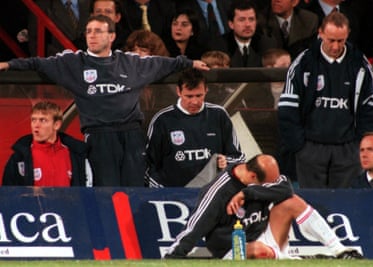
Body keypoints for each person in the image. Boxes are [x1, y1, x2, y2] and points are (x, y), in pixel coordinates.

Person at [0, 15, 210, 187]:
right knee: (105, 193)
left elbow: (165, 64)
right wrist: (9, 65)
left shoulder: (131, 62)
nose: (92, 35)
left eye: (98, 31)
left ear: (111, 36)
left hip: (132, 137)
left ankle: (135, 236)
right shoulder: (73, 63)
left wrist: (190, 62)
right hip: (99, 137)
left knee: (136, 190)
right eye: (89, 31)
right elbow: (37, 63)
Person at [165, 154, 363, 259]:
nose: (272, 184)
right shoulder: (218, 192)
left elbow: (285, 188)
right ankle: (293, 260)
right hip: (234, 248)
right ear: (252, 177)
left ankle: (340, 251)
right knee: (258, 252)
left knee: (292, 201)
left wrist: (247, 193)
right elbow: (195, 225)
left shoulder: (260, 175)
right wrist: (175, 254)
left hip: (262, 232)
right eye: (267, 183)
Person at [277, 12, 373, 188]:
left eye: (340, 41)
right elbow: (287, 107)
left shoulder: (359, 63)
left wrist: (358, 145)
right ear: (321, 34)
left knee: (347, 204)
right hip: (311, 149)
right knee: (312, 206)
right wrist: (300, 147)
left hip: (347, 150)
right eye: (331, 40)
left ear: (347, 35)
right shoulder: (304, 62)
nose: (335, 46)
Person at [145, 68, 245, 188]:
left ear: (206, 90)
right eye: (189, 96)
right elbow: (148, 164)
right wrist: (162, 192)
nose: (194, 101)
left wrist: (226, 161)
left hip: (211, 193)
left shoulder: (219, 114)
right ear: (178, 91)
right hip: (173, 194)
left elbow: (238, 157)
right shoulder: (162, 119)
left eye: (199, 95)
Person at [2, 101, 91, 187]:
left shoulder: (76, 155)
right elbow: (8, 196)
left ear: (56, 125)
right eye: (33, 120)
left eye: (43, 120)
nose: (36, 125)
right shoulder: (19, 157)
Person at [209, 0, 278, 67]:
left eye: (251, 19)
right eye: (241, 20)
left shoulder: (268, 45)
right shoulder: (218, 46)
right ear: (231, 24)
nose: (247, 24)